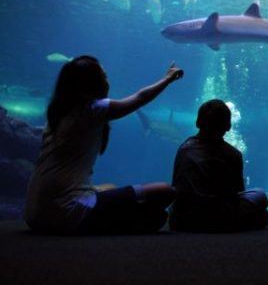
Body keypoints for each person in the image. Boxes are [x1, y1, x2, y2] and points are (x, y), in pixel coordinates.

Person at [24, 55, 183, 234]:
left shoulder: (59, 112)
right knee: (165, 191)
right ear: (90, 84)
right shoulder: (93, 109)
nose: (108, 81)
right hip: (65, 211)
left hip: (34, 212)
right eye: (104, 76)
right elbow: (140, 97)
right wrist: (168, 79)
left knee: (110, 187)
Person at [169, 99, 268, 232]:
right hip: (220, 218)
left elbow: (176, 186)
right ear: (228, 126)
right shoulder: (233, 154)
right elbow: (237, 192)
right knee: (260, 195)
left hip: (183, 220)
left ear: (198, 122)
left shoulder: (184, 149)